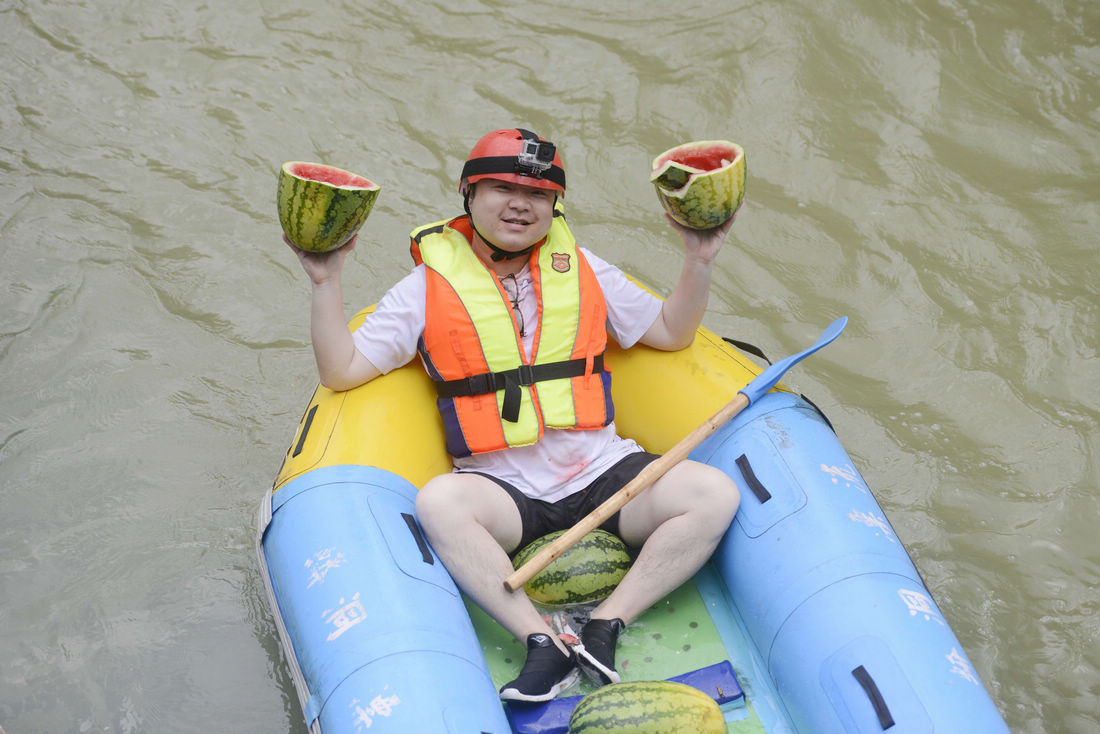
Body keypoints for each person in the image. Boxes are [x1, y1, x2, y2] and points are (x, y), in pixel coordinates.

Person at [286, 128, 741, 703]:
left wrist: (698, 258)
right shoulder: (426, 287)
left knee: (714, 494)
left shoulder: (582, 268)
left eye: (539, 193)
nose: (520, 203)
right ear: (467, 194)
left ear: (555, 207)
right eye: (500, 187)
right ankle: (540, 642)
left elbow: (672, 332)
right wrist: (325, 279)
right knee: (438, 503)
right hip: (506, 488)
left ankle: (605, 626)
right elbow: (342, 370)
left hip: (604, 473)